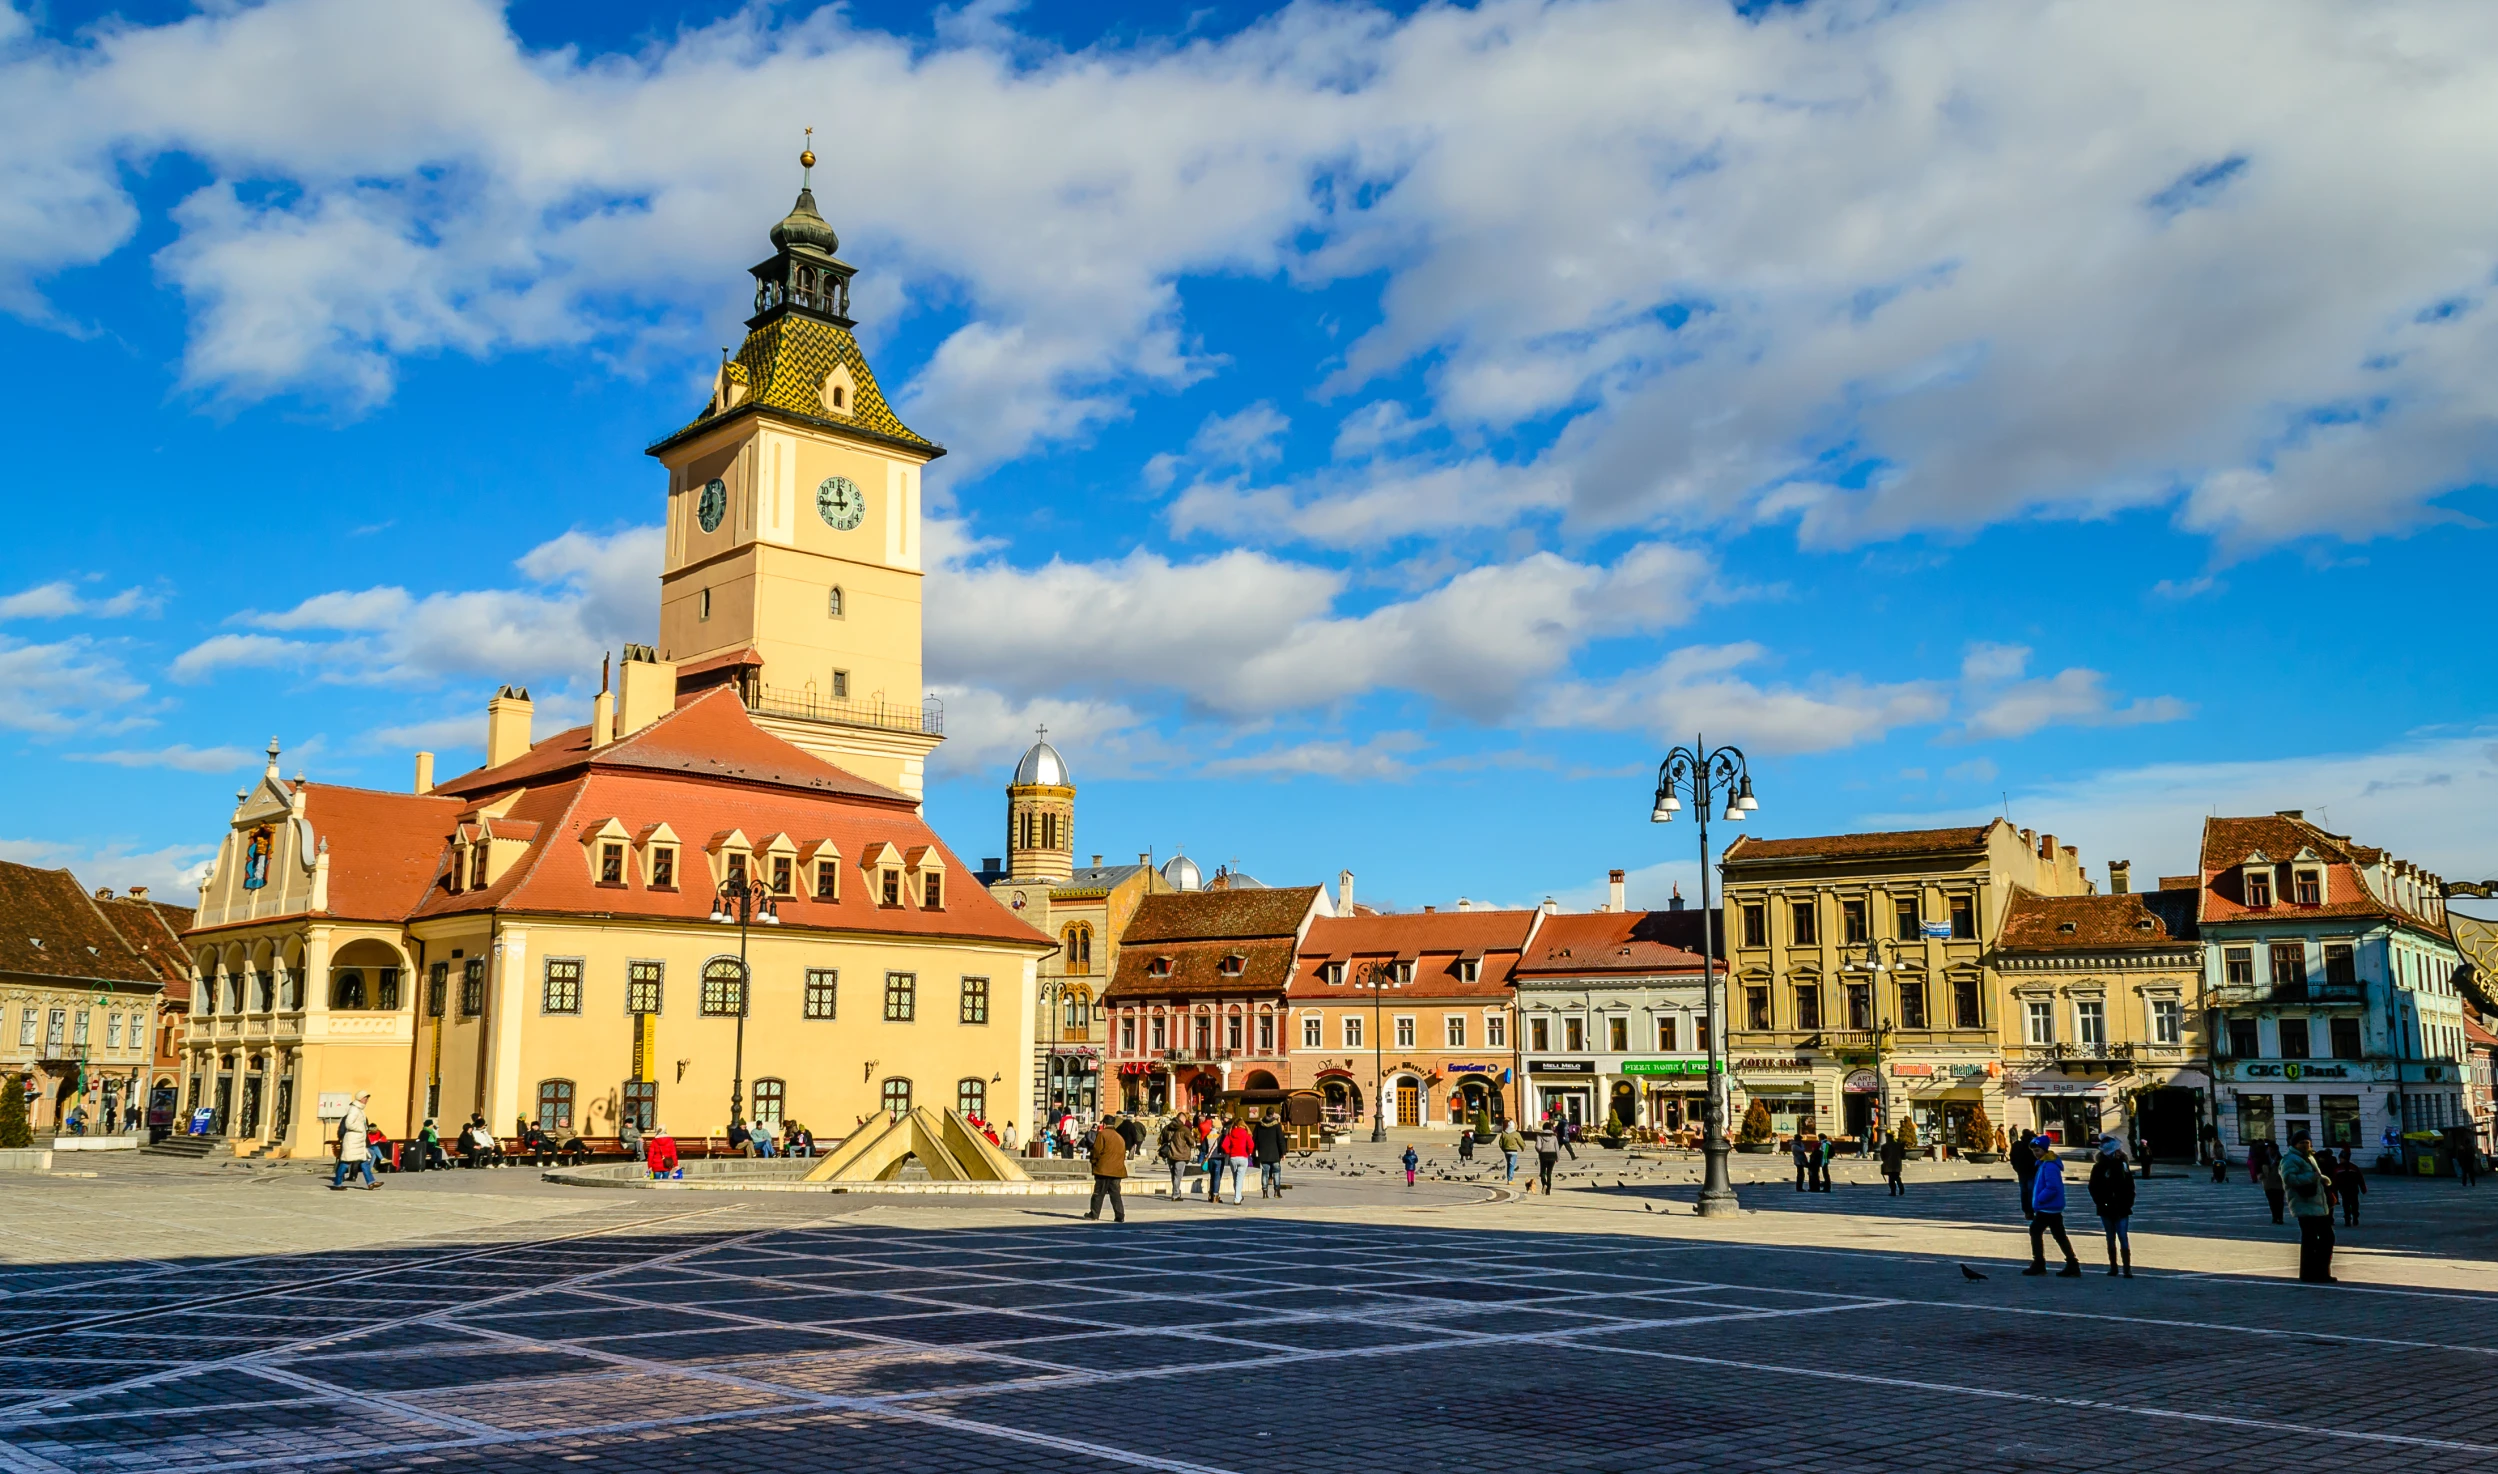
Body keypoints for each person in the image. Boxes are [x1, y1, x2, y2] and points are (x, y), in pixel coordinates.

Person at [2280, 1129, 2335, 1283]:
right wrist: (2313, 1177)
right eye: (2301, 1143)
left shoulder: (2309, 1157)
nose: (2305, 1145)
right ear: (2295, 1144)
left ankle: (2320, 1272)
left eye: (2307, 1142)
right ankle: (2311, 1273)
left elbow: (2314, 1176)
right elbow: (2289, 1178)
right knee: (2312, 1239)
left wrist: (2322, 1179)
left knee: (2325, 1237)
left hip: (2317, 1204)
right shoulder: (2290, 1159)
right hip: (2304, 1203)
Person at [2022, 1138, 2082, 1277]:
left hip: (2048, 1207)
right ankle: (2072, 1263)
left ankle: (2039, 1263)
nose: (2035, 1153)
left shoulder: (2049, 1165)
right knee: (2059, 1235)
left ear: (2044, 1150)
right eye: (2034, 1151)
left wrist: (2039, 1200)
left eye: (2037, 1150)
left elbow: (2052, 1187)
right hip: (2052, 1206)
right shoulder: (2045, 1163)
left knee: (2036, 1231)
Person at [2087, 1136, 2135, 1278]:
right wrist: (2101, 1202)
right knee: (2111, 1237)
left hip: (2121, 1207)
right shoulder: (2099, 1167)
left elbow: (2130, 1186)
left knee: (2121, 1236)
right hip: (2107, 1207)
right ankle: (2114, 1267)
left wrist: (2129, 1201)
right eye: (2117, 1150)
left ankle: (2126, 1268)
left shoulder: (2122, 1165)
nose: (2120, 1152)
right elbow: (2093, 1187)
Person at [1084, 1114, 1128, 1223]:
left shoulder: (1102, 1134)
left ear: (1104, 1124)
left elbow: (1097, 1150)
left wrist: (1093, 1161)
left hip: (1104, 1169)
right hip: (1117, 1170)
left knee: (1099, 1193)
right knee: (1115, 1194)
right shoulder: (1119, 1137)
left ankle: (1094, 1214)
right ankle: (1120, 1215)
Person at [330, 1092, 379, 1191]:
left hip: (358, 1141)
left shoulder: (359, 1110)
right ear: (360, 1098)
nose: (367, 1100)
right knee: (346, 1162)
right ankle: (337, 1183)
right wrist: (360, 1129)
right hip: (352, 1141)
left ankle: (371, 1182)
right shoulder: (354, 1110)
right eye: (365, 1098)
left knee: (364, 1162)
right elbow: (349, 1124)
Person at [1157, 1114, 1195, 1200]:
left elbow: (1161, 1139)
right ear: (1183, 1120)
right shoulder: (1185, 1129)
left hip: (1170, 1155)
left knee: (1173, 1175)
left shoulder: (1167, 1128)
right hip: (1181, 1155)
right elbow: (1192, 1142)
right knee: (1178, 1175)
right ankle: (1176, 1194)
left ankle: (1176, 1191)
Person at [1218, 1116, 1254, 1204]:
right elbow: (1251, 1145)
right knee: (1240, 1179)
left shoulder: (1231, 1133)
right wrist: (1248, 1152)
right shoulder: (1246, 1133)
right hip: (1243, 1157)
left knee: (1236, 1178)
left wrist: (1229, 1152)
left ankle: (1239, 1196)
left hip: (1233, 1158)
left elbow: (1224, 1145)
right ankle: (1237, 1198)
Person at [1252, 1111, 1287, 1198]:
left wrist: (1256, 1149)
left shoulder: (1259, 1124)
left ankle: (1265, 1192)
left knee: (1265, 1173)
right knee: (1276, 1173)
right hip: (1275, 1154)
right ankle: (1277, 1192)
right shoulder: (1277, 1125)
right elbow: (1280, 1140)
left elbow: (1254, 1138)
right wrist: (1283, 1153)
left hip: (1263, 1153)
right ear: (1273, 1114)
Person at [2012, 1130, 2042, 1222]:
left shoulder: (2017, 1145)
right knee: (2031, 1191)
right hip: (2032, 1172)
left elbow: (2012, 1158)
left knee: (2024, 1191)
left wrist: (2016, 1168)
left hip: (2022, 1172)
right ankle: (2032, 1210)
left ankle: (2027, 1211)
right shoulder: (2033, 1145)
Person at [2333, 1148, 2366, 1226]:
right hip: (2352, 1189)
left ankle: (2349, 1219)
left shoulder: (2338, 1168)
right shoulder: (2353, 1167)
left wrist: (2334, 1189)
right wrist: (2363, 1188)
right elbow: (2360, 1179)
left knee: (2347, 1204)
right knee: (2353, 1204)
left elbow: (2335, 1180)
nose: (2340, 1160)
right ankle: (2353, 1218)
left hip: (2345, 1189)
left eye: (2340, 1158)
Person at [2259, 1140, 2286, 1224]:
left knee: (2280, 1201)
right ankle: (2275, 1216)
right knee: (2272, 1201)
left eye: (2271, 1149)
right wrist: (2260, 1175)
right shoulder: (2264, 1159)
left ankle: (2280, 1217)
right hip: (2268, 1183)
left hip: (2279, 1183)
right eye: (2268, 1149)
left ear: (2275, 1150)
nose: (2269, 1151)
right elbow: (2258, 1169)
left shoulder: (2281, 1159)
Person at [1533, 1119, 1560, 1195]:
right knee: (1549, 1173)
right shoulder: (1554, 1136)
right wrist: (1558, 1157)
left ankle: (1544, 1184)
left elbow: (1537, 1146)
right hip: (1552, 1155)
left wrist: (1540, 1150)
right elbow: (1557, 1148)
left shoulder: (1539, 1136)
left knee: (1542, 1172)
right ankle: (1548, 1190)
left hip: (1543, 1155)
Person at [1879, 1128, 1907, 1197]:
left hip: (1889, 1165)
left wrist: (1885, 1161)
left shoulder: (1884, 1146)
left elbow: (1882, 1156)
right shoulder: (1898, 1145)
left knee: (1891, 1179)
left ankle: (1894, 1192)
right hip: (1897, 1164)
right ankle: (1900, 1188)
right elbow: (1903, 1154)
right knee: (1896, 1177)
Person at [1791, 1127, 1814, 1193]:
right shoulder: (1795, 1145)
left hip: (1800, 1160)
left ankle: (1800, 1187)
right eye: (1800, 1140)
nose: (1801, 1141)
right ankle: (1799, 1187)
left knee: (1801, 1174)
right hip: (1799, 1161)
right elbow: (1802, 1150)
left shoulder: (1796, 1144)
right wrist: (1802, 1146)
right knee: (1800, 1174)